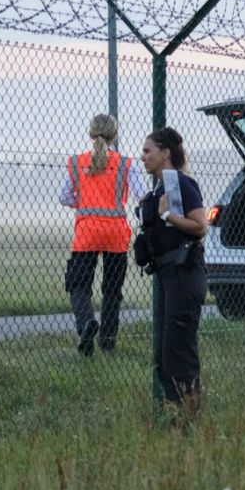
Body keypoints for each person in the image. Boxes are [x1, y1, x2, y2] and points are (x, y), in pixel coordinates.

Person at [61, 114, 146, 356]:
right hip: (115, 233)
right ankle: (107, 342)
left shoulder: (78, 162)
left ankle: (86, 323)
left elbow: (63, 196)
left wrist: (82, 202)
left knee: (78, 284)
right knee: (112, 289)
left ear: (91, 133)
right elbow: (141, 195)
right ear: (114, 135)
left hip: (86, 232)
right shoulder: (125, 164)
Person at [138, 126, 207, 409]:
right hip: (170, 277)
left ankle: (187, 416)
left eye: (147, 151)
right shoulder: (160, 188)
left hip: (184, 275)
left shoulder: (181, 184)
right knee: (165, 354)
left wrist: (167, 214)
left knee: (178, 353)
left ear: (165, 153)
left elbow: (199, 226)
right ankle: (175, 414)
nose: (143, 157)